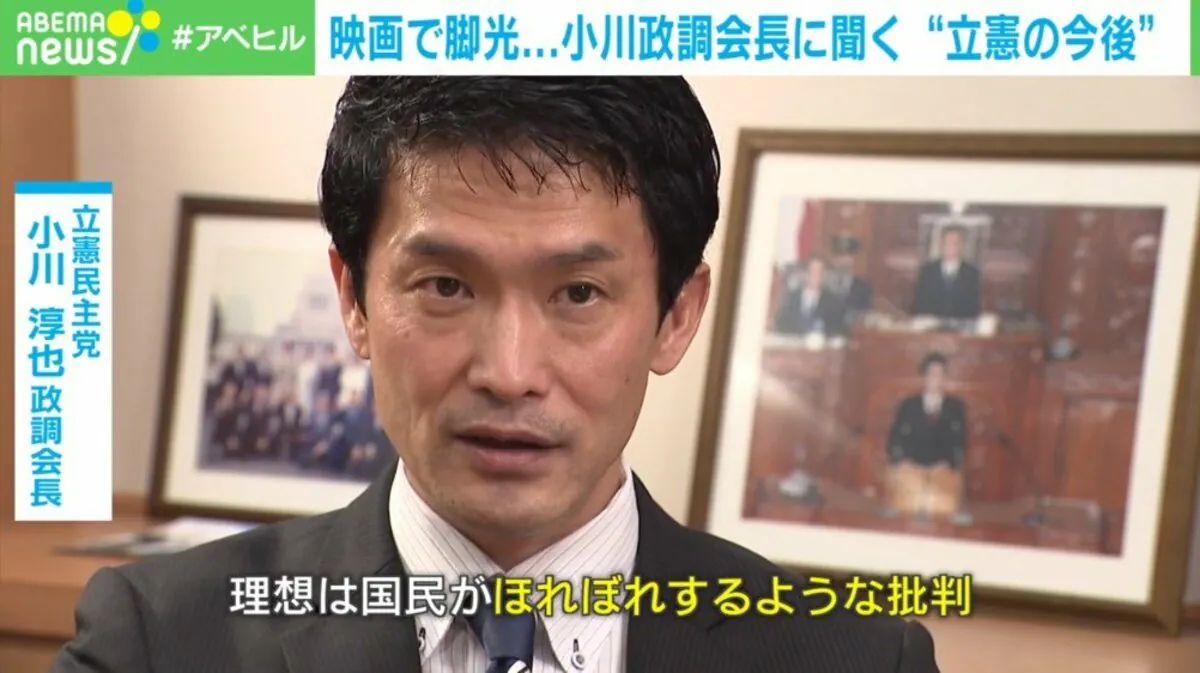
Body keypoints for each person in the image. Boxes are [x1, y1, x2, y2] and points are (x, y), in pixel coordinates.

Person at [55, 77, 938, 673]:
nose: (509, 374)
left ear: (676, 314)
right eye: (446, 286)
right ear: (353, 298)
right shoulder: (160, 639)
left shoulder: (853, 657)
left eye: (579, 293)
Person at [885, 352, 968, 517]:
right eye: (932, 374)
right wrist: (903, 461)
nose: (936, 379)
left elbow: (960, 442)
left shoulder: (956, 407)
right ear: (924, 377)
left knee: (942, 509)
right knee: (906, 507)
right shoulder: (908, 405)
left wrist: (948, 463)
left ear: (945, 378)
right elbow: (895, 439)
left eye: (940, 374)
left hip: (942, 469)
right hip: (911, 467)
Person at [911, 225, 982, 320]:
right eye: (946, 243)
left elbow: (974, 308)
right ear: (940, 245)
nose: (950, 247)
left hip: (961, 325)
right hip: (930, 324)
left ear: (962, 246)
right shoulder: (927, 271)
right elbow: (920, 304)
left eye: (954, 243)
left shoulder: (972, 274)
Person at [773, 257, 838, 337]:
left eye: (819, 272)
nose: (816, 276)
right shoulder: (791, 297)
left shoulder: (832, 301)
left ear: (824, 276)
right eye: (813, 272)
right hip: (792, 342)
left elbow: (835, 331)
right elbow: (781, 325)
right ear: (805, 274)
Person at [825, 233, 873, 333]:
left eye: (848, 256)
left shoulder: (863, 288)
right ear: (832, 258)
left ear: (853, 259)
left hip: (851, 335)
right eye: (840, 255)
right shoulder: (821, 283)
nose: (843, 261)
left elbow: (865, 317)